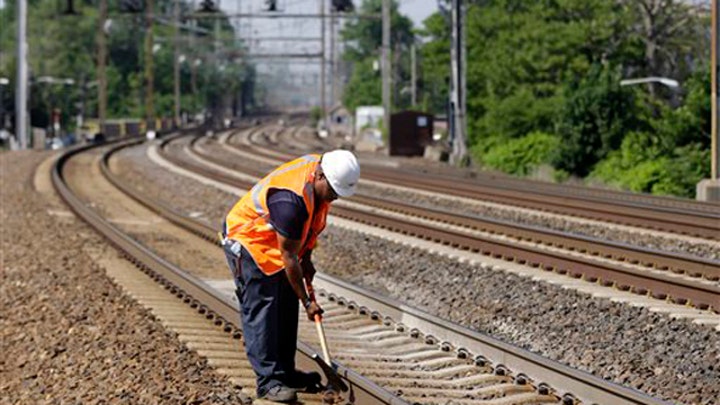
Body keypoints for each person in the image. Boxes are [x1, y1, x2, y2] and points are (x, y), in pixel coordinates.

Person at [221, 150, 360, 403]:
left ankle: (285, 373)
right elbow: (289, 256)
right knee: (264, 307)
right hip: (249, 241)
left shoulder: (322, 172)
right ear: (320, 176)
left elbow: (302, 237)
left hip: (276, 243)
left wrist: (307, 259)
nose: (334, 198)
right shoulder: (291, 201)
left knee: (285, 305)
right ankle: (268, 382)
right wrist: (308, 302)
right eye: (333, 192)